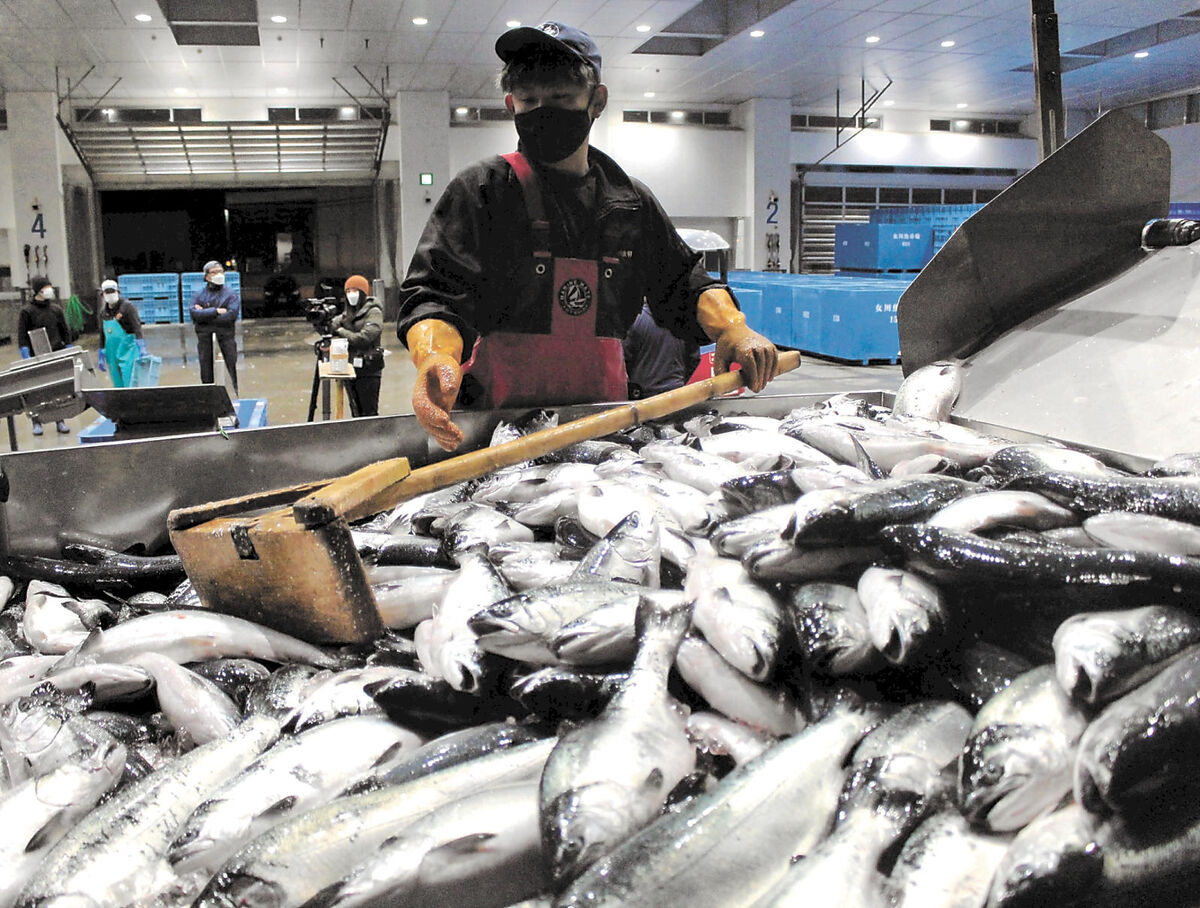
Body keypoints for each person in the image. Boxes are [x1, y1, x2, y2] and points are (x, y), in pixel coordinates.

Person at [397, 21, 780, 451]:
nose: (543, 112)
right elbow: (435, 294)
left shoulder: (630, 203)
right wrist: (435, 356)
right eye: (529, 100)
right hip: (494, 432)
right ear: (510, 105)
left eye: (561, 98)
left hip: (603, 428)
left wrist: (734, 329)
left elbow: (684, 283)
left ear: (596, 101)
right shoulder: (483, 191)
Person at [17, 275, 72, 435]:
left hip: (55, 353)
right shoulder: (27, 311)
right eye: (46, 287)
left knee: (57, 390)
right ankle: (37, 422)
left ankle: (59, 420)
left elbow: (65, 331)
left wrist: (68, 348)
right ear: (38, 291)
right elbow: (22, 335)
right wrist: (26, 354)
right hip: (36, 355)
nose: (50, 290)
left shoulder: (55, 309)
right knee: (37, 391)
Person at [330, 275, 386, 416]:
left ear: (363, 292)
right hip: (351, 368)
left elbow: (365, 338)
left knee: (369, 411)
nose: (351, 294)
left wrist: (341, 331)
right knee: (355, 411)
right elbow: (334, 323)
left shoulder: (374, 312)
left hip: (369, 369)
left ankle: (373, 437)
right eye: (348, 291)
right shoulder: (348, 313)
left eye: (354, 290)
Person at [623, 302, 701, 398]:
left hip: (643, 397)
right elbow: (694, 358)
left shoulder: (635, 320)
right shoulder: (684, 322)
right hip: (676, 394)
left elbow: (623, 361)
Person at [189, 260, 240, 396]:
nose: (218, 274)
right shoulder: (198, 295)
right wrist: (215, 311)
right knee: (206, 372)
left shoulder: (231, 294)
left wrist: (205, 315)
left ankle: (232, 398)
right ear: (206, 277)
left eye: (220, 271)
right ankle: (208, 399)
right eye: (214, 272)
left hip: (226, 338)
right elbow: (194, 314)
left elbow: (231, 315)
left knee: (229, 369)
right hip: (205, 339)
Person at [96, 279, 149, 388]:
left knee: (129, 381)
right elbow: (102, 333)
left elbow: (137, 327)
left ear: (118, 292)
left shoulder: (127, 307)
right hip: (112, 353)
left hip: (128, 351)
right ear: (103, 295)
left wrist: (142, 347)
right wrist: (101, 351)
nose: (110, 294)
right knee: (117, 384)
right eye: (107, 292)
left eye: (112, 291)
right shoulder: (103, 313)